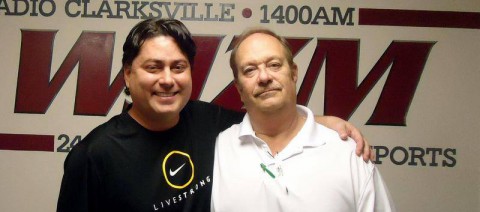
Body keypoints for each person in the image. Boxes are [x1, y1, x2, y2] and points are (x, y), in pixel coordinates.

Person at [57, 18, 371, 212]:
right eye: (153, 68)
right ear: (128, 75)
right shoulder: (94, 155)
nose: (168, 79)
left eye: (178, 67)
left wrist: (322, 122)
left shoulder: (210, 122)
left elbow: (271, 116)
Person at [211, 28, 395, 211]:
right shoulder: (218, 151)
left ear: (293, 73)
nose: (264, 77)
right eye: (250, 70)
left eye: (274, 65)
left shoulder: (348, 154)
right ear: (239, 87)